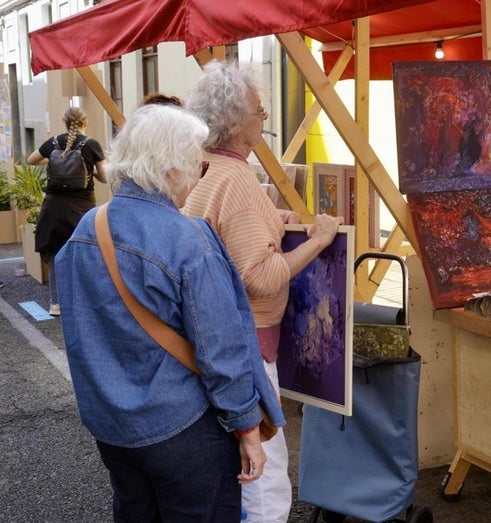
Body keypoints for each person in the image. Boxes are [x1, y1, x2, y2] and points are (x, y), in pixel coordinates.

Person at [54, 104, 285, 522]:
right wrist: (248, 429)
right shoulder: (189, 240)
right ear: (171, 169)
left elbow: (78, 332)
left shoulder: (87, 229)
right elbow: (221, 349)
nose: (199, 175)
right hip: (183, 428)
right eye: (197, 164)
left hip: (111, 426)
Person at [183, 60, 343, 523]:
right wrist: (317, 240)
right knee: (264, 474)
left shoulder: (203, 167)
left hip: (211, 337)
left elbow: (227, 239)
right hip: (247, 343)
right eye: (259, 110)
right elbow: (261, 275)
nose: (265, 118)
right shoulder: (236, 179)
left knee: (234, 462)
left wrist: (273, 222)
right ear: (234, 122)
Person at [27, 107, 107, 316]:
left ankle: (55, 304)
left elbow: (31, 160)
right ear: (84, 122)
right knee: (84, 252)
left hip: (54, 208)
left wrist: (56, 159)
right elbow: (105, 177)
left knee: (55, 253)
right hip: (81, 208)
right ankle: (84, 302)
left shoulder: (53, 143)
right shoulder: (91, 144)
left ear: (64, 122)